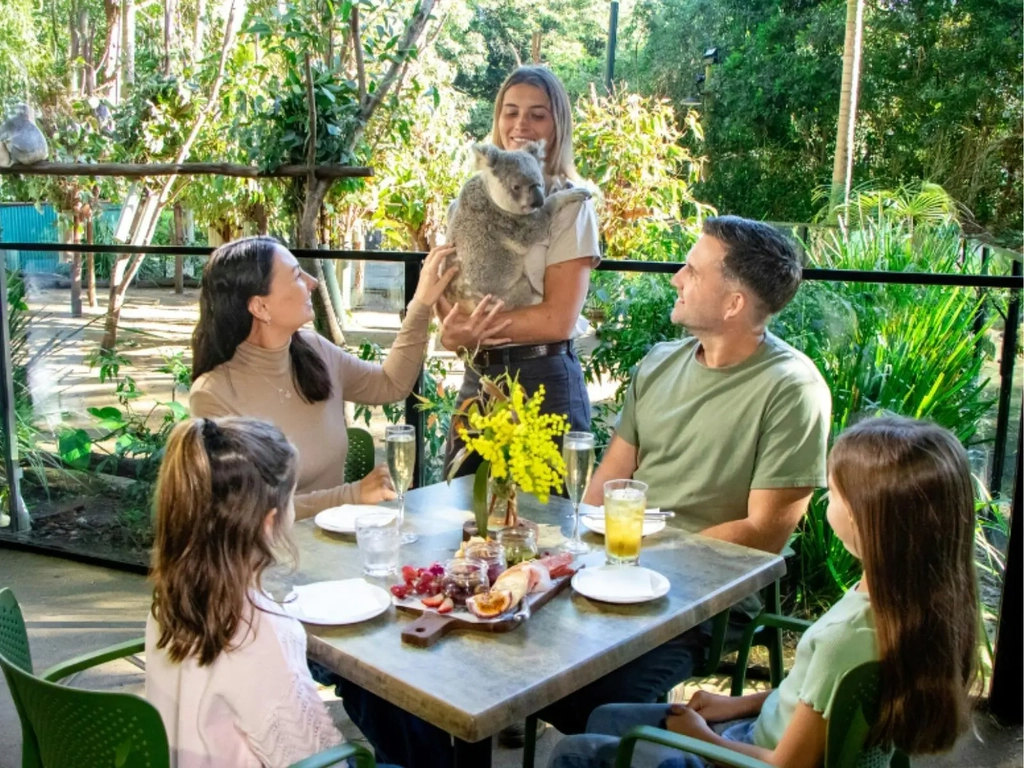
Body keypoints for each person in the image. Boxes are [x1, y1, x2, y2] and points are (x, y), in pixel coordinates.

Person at [538, 215, 833, 734]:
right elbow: (604, 486)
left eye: (693, 271)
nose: (676, 277)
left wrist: (645, 555)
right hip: (616, 571)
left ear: (733, 303)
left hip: (707, 600)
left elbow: (764, 534)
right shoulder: (657, 364)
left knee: (597, 706)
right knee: (518, 659)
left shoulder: (792, 389)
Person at [548, 415, 980, 768]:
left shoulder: (845, 640)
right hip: (755, 730)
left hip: (747, 755)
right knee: (603, 716)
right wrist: (734, 705)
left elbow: (783, 767)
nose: (824, 501)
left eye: (833, 494)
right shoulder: (902, 610)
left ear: (872, 521)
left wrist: (700, 736)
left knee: (573, 752)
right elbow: (812, 701)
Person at [146, 417, 385, 767]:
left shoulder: (171, 598)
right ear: (270, 521)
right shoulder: (263, 631)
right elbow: (316, 759)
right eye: (293, 498)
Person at [189, 235, 456, 519]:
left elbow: (391, 385)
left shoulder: (313, 350)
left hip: (336, 548)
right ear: (260, 307)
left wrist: (422, 304)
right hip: (269, 558)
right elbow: (248, 511)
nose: (312, 282)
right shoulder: (213, 395)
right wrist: (350, 495)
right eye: (296, 276)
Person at [438, 65, 601, 479]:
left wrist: (475, 329)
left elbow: (558, 318)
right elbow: (451, 291)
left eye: (537, 114)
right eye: (510, 112)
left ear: (557, 124)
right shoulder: (473, 197)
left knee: (549, 526)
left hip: (543, 377)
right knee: (464, 519)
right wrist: (453, 329)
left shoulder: (570, 204)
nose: (520, 124)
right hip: (480, 375)